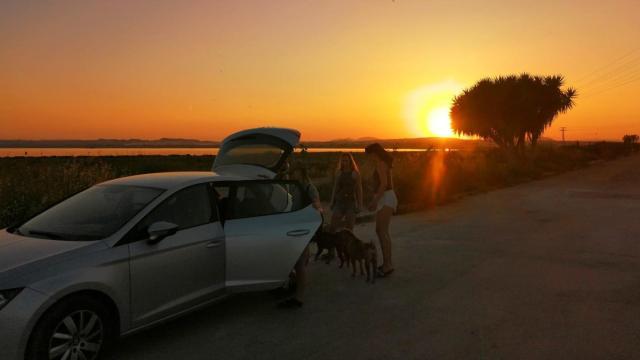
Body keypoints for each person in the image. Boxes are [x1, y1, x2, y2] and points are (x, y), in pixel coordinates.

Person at [278, 163, 322, 308]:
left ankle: (299, 297)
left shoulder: (309, 187)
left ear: (301, 174)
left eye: (294, 173)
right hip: (298, 226)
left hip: (304, 228)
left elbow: (317, 202)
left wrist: (316, 206)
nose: (292, 175)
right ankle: (297, 288)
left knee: (299, 263)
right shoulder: (295, 187)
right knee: (302, 258)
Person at [364, 143, 396, 278]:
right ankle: (387, 264)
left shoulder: (381, 164)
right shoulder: (384, 164)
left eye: (370, 155)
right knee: (382, 231)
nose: (369, 158)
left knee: (382, 232)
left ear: (374, 153)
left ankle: (387, 265)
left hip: (386, 198)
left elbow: (384, 184)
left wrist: (374, 201)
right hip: (387, 198)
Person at [329, 153, 364, 233]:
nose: (345, 163)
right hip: (339, 201)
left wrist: (360, 205)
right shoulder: (339, 173)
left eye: (346, 161)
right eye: (343, 161)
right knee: (333, 225)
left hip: (351, 202)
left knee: (349, 227)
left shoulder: (355, 173)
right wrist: (332, 201)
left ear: (350, 161)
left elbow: (359, 189)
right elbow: (335, 188)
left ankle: (347, 244)